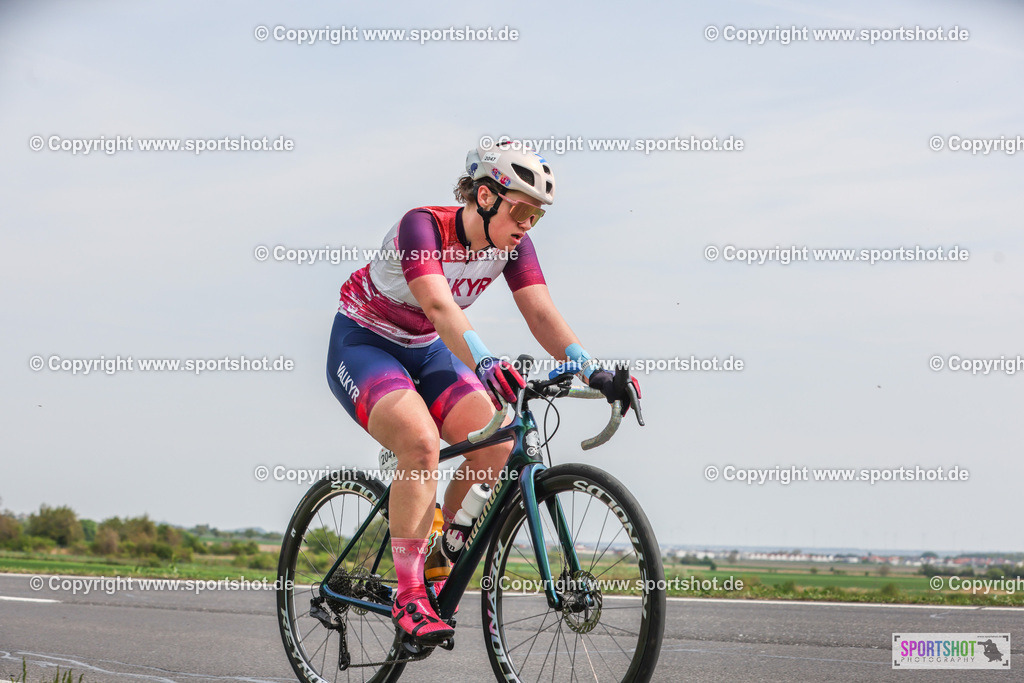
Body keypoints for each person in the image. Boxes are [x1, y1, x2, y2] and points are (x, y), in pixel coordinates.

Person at [326, 140, 639, 645]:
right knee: (421, 445)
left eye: (536, 216)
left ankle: (442, 553)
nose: (527, 224)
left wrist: (591, 369)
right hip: (365, 342)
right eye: (521, 209)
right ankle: (408, 595)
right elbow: (439, 306)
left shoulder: (513, 245)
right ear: (487, 196)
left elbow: (541, 314)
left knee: (496, 439)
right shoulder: (421, 227)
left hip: (429, 351)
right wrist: (486, 360)